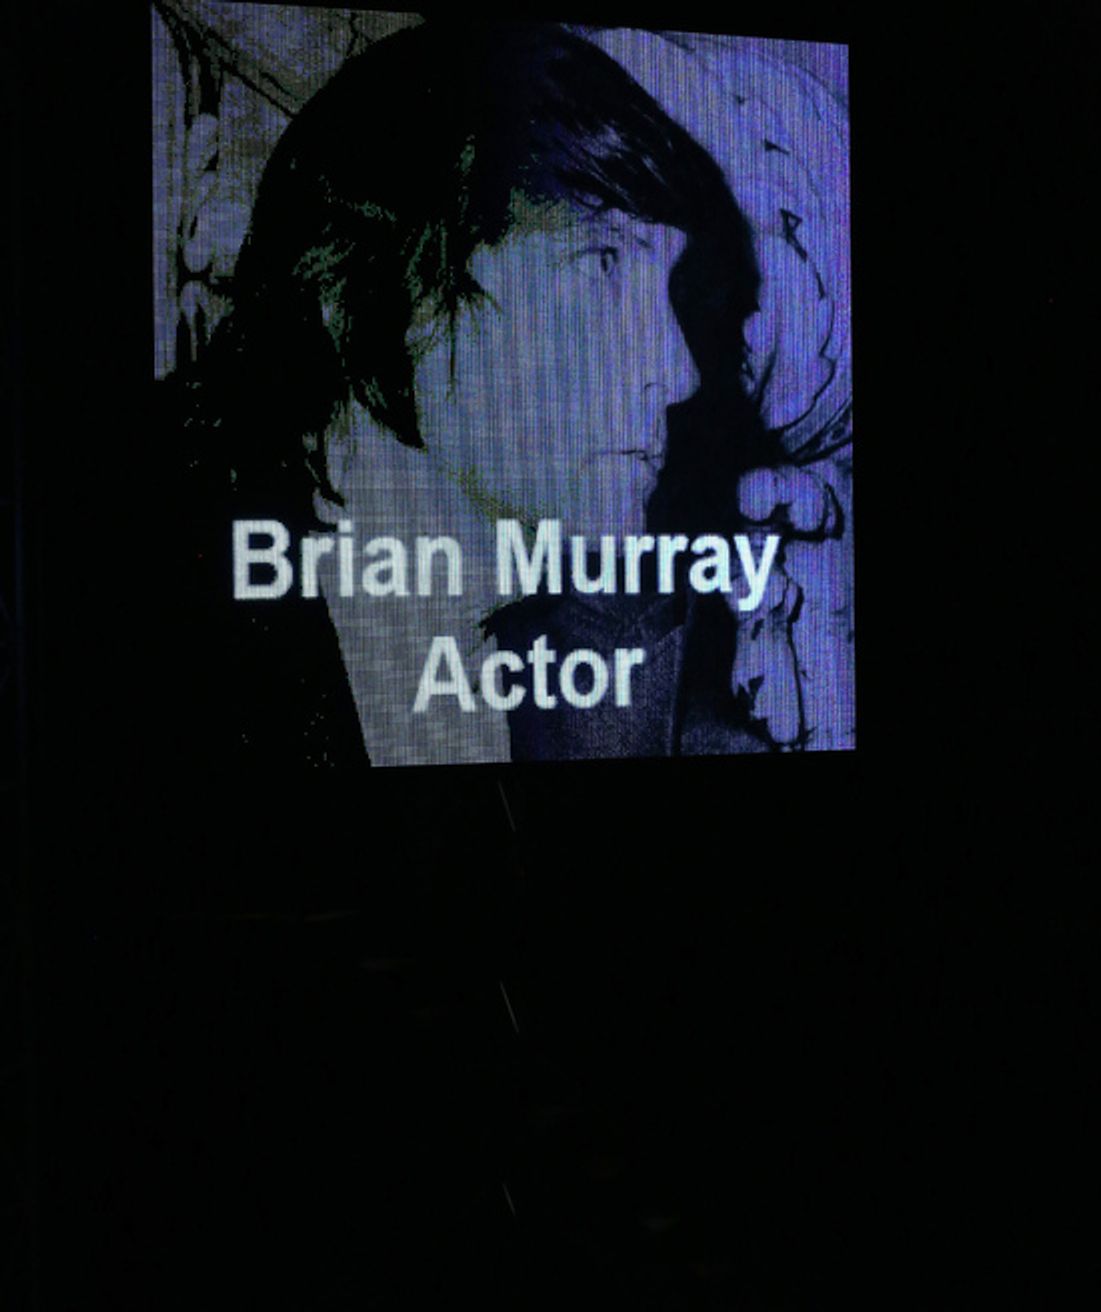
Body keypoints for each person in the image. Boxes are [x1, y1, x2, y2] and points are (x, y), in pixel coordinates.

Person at [173, 19, 755, 767]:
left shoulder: (567, 629)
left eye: (667, 291)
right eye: (602, 260)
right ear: (381, 287)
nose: (680, 373)